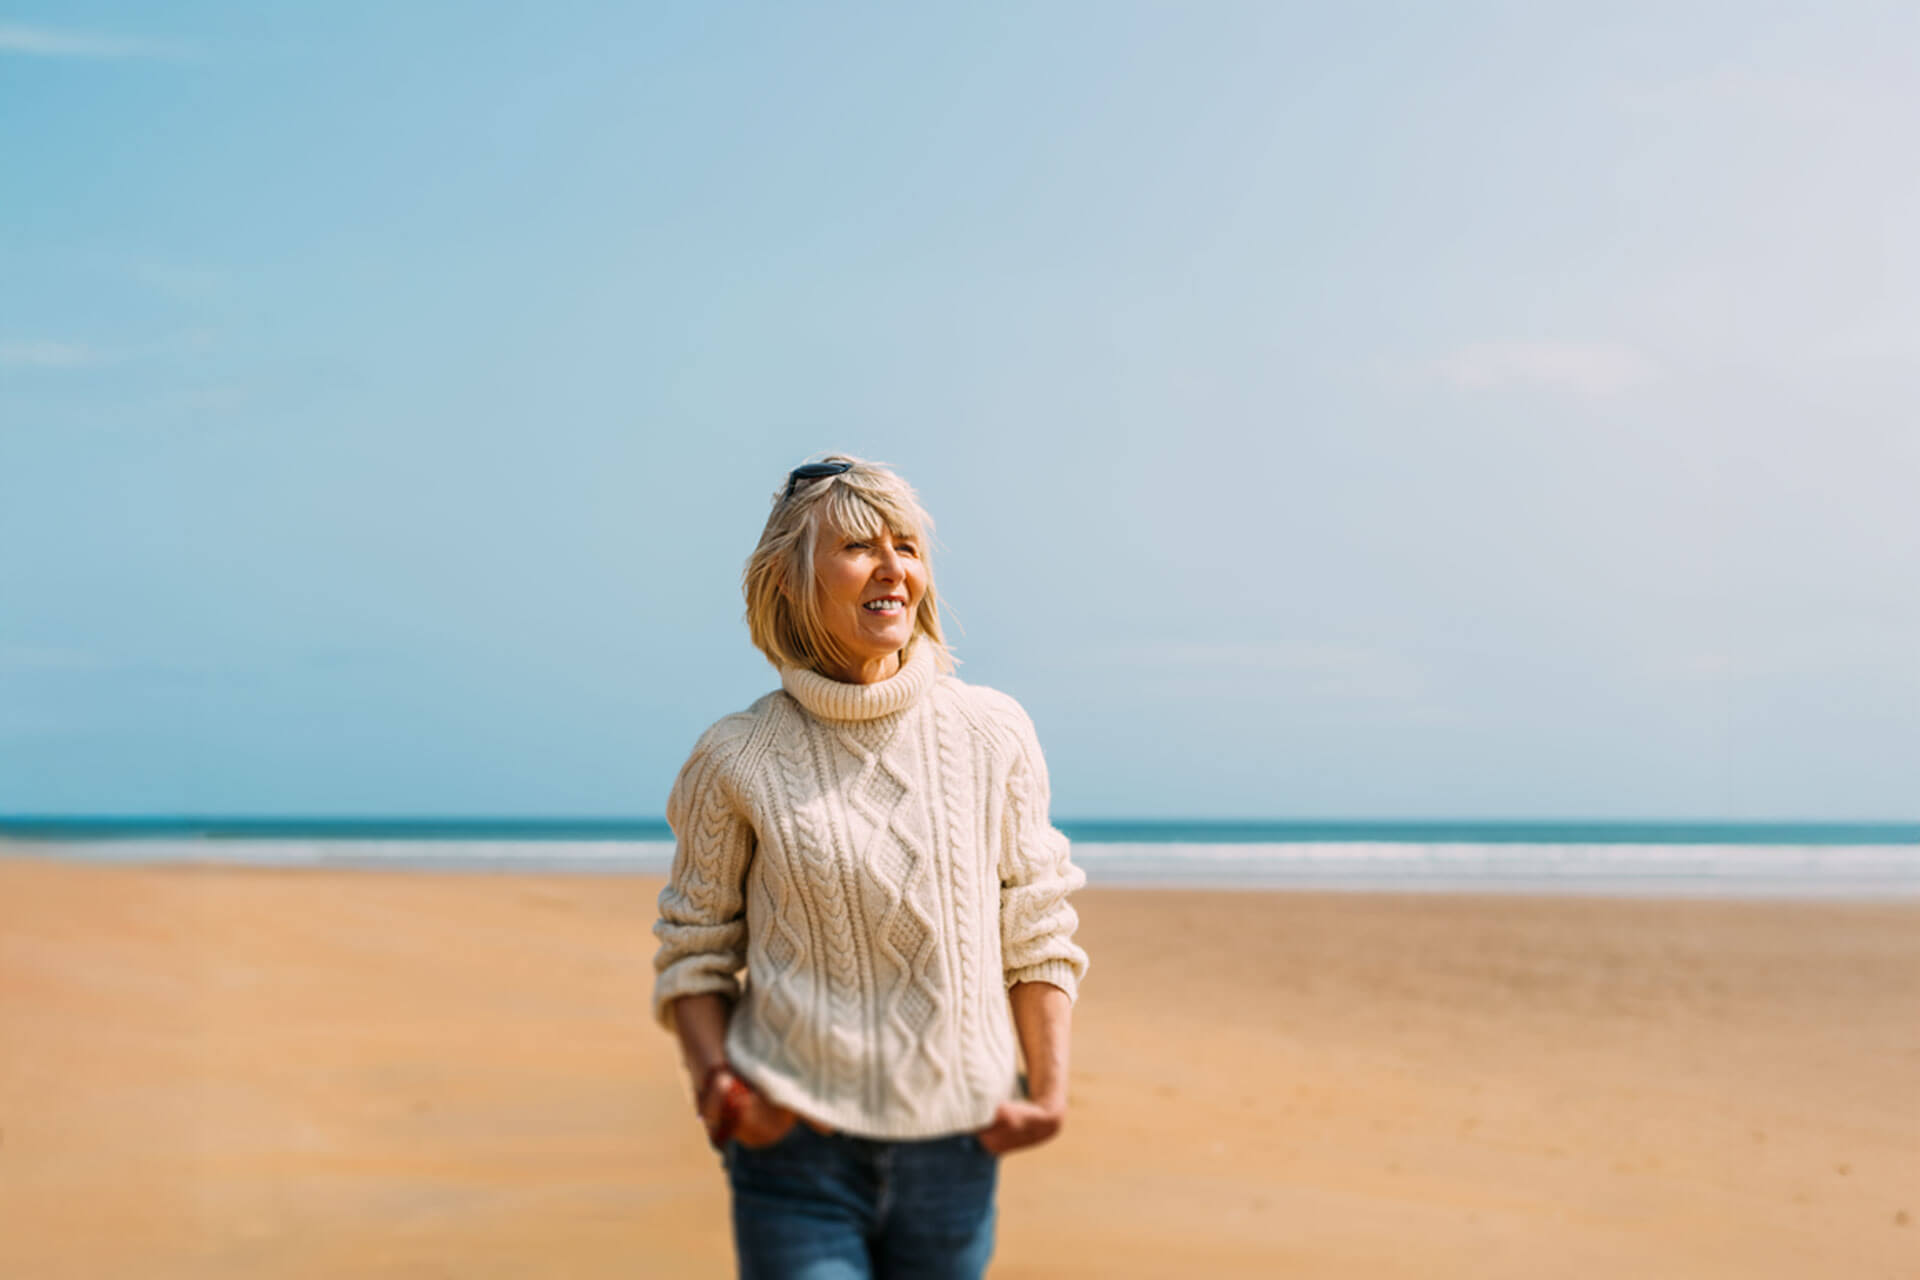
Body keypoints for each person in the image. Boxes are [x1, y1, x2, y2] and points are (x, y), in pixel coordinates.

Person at [651, 454, 1090, 1279]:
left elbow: (1036, 930)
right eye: (858, 546)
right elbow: (694, 948)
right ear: (791, 579)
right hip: (794, 1156)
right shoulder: (735, 758)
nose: (894, 568)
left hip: (956, 1147)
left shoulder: (993, 733)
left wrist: (1049, 1091)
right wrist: (718, 1081)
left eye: (909, 546)